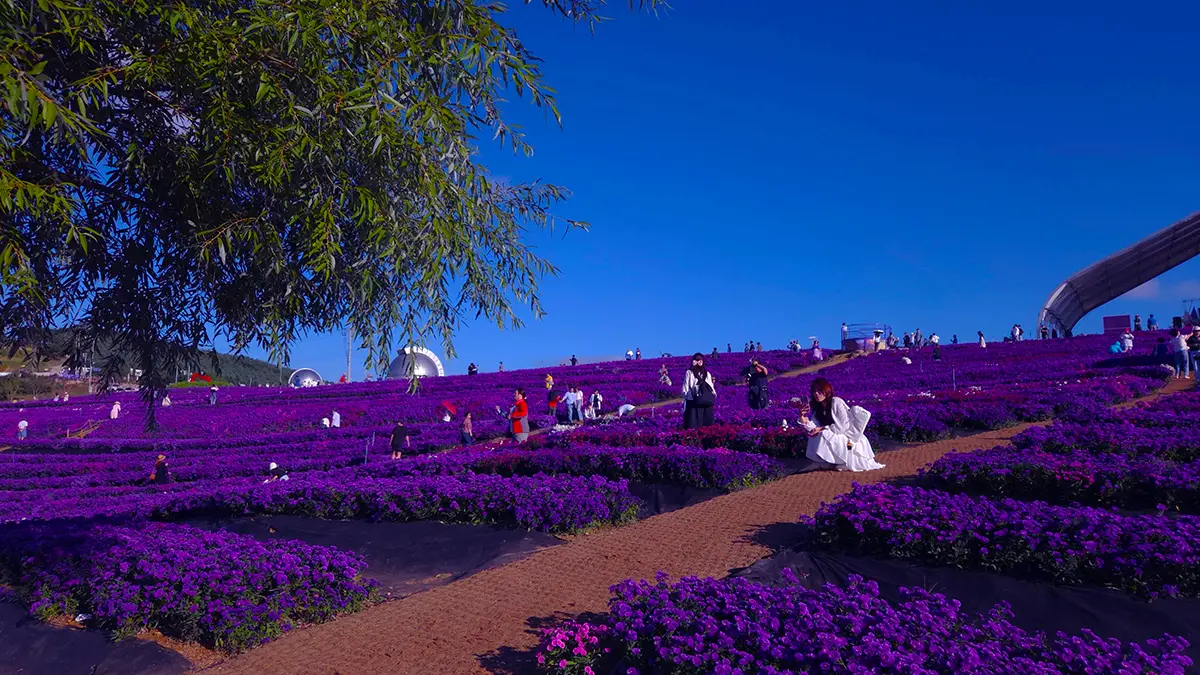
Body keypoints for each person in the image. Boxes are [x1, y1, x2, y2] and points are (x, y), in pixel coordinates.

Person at [799, 378, 884, 472]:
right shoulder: (818, 408)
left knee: (823, 434)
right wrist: (802, 416)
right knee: (814, 435)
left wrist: (822, 428)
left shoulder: (836, 402)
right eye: (814, 391)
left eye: (820, 391)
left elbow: (843, 427)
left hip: (847, 437)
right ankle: (829, 461)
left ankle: (842, 461)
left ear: (826, 391)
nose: (816, 394)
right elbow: (814, 427)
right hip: (835, 435)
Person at [681, 352, 716, 430]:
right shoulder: (707, 373)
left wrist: (688, 399)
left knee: (693, 425)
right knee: (707, 427)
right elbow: (711, 388)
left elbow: (685, 388)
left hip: (694, 402)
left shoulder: (689, 372)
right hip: (706, 402)